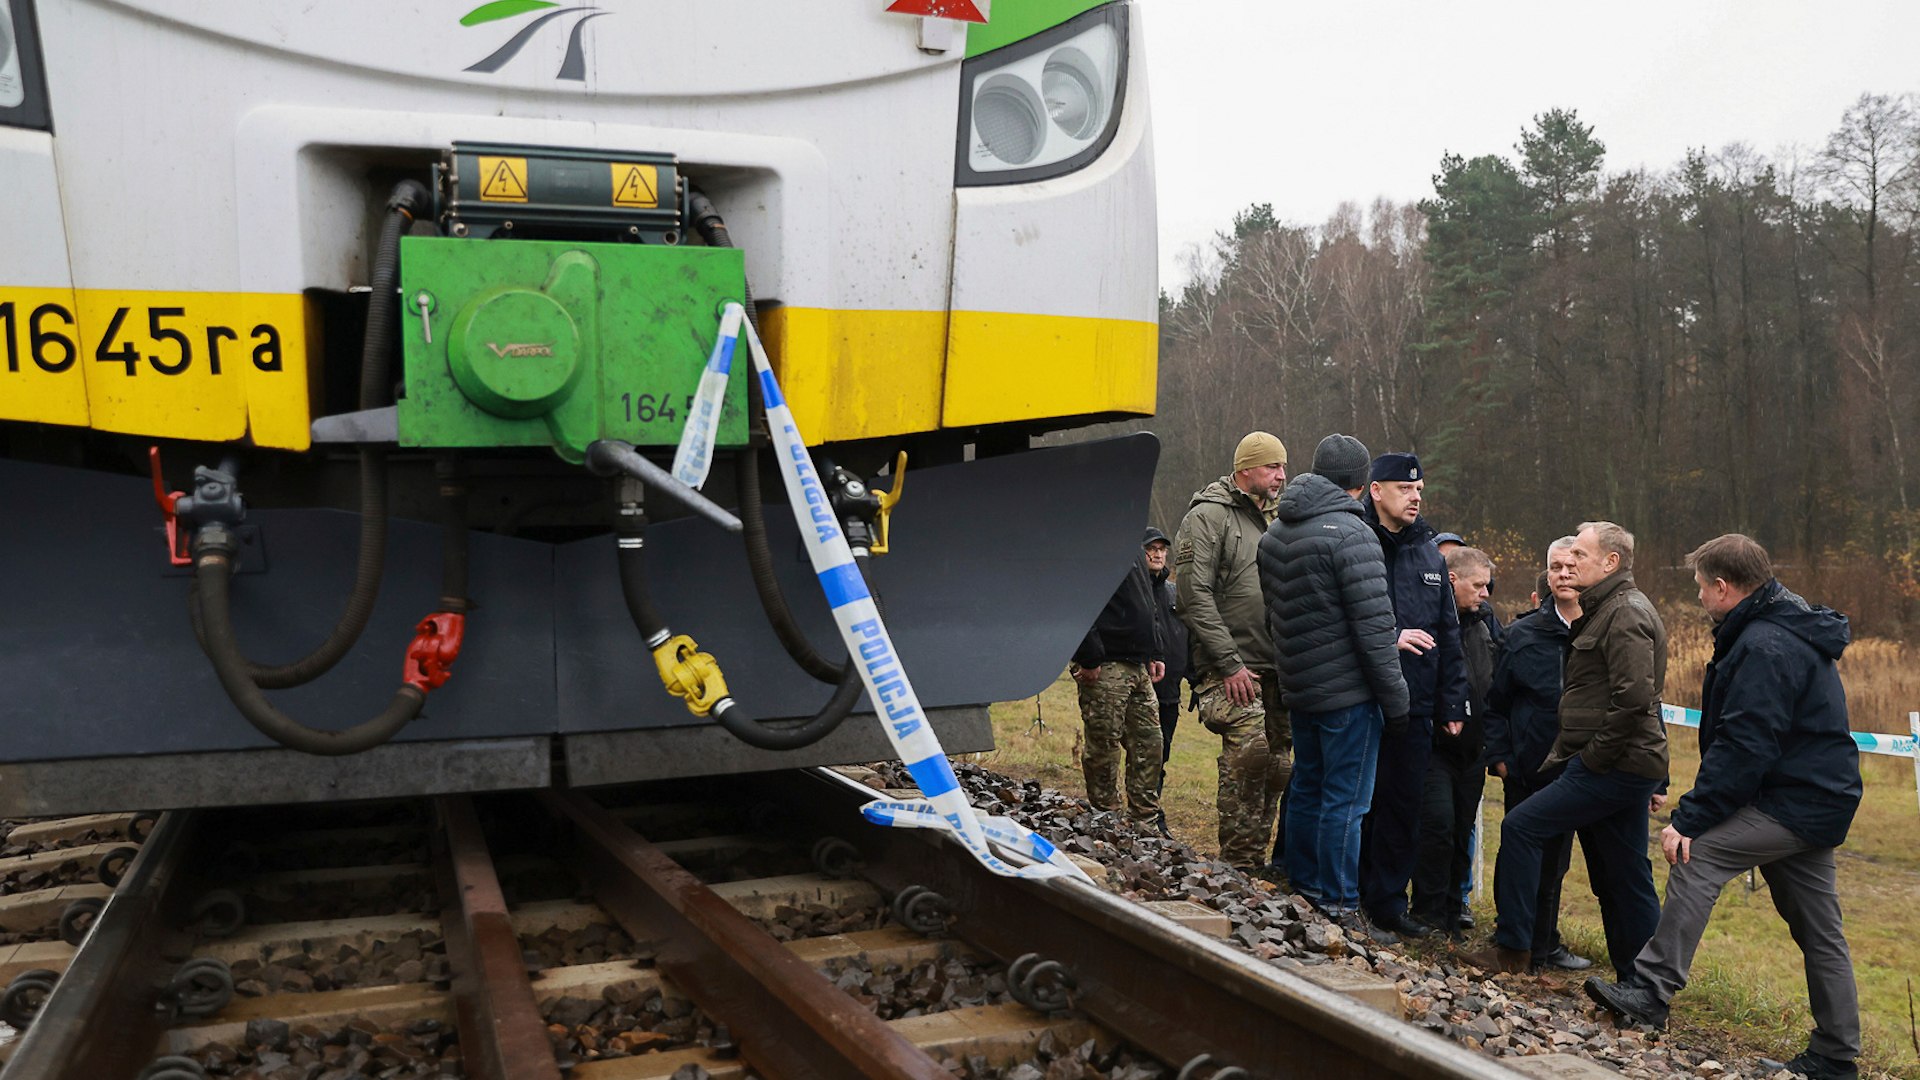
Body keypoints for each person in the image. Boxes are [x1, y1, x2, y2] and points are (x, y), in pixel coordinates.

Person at [1585, 535, 1862, 1080]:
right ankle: (1836, 1055)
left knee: (1697, 856)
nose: (1697, 598)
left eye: (1699, 588)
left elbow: (1746, 743)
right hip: (1814, 797)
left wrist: (1689, 818)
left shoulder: (1764, 644)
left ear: (1722, 587)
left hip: (1795, 800)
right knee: (1821, 932)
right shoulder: (1779, 625)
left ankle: (1650, 990)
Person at [1468, 521, 1667, 976]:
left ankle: (1514, 951)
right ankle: (1638, 984)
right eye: (1565, 557)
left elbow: (1637, 699)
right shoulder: (1606, 609)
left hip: (1611, 766)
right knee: (1621, 874)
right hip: (1607, 762)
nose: (1569, 563)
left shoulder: (1626, 613)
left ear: (1610, 562)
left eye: (1579, 554)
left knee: (1523, 828)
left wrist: (1592, 757)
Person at [1258, 433, 1409, 942]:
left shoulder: (1276, 533)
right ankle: (1339, 905)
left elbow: (1273, 617)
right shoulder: (1352, 535)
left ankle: (1303, 889)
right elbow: (1374, 629)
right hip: (1348, 693)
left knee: (1307, 789)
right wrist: (1397, 700)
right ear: (1363, 485)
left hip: (1299, 687)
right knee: (1345, 802)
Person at [1357, 453, 1468, 939]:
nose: (1416, 496)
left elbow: (1448, 631)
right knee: (1361, 803)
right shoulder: (1358, 542)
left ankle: (1387, 905)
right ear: (1376, 490)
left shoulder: (1428, 552)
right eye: (1405, 488)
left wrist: (1451, 702)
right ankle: (1346, 895)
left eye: (1419, 489)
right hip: (1363, 697)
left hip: (1417, 703)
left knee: (1404, 807)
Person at [1175, 432, 1292, 870]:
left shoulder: (1282, 519)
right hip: (1231, 668)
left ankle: (1256, 864)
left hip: (1278, 668)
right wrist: (1229, 663)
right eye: (1271, 468)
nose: (1281, 476)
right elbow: (1192, 595)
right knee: (1249, 757)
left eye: (1282, 467)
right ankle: (1239, 865)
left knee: (1279, 766)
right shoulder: (1208, 517)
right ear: (1245, 470)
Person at [1480, 538, 1592, 972]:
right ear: (1546, 576)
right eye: (1555, 567)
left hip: (1585, 767)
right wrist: (1501, 755)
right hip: (1529, 766)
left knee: (1558, 864)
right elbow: (1497, 703)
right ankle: (1512, 942)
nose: (1563, 574)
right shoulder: (1522, 634)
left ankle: (1545, 945)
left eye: (1571, 566)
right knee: (1522, 855)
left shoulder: (1604, 629)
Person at [1411, 545, 1499, 935]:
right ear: (1452, 581)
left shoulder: (1484, 626)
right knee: (1438, 827)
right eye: (1478, 585)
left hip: (1474, 751)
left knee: (1462, 829)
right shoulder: (1427, 622)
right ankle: (1426, 911)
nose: (1485, 593)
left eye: (1487, 586)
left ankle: (1452, 909)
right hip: (1434, 748)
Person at [1069, 532, 1166, 827]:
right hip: (1106, 663)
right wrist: (1090, 655)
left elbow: (1146, 602)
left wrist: (1154, 650)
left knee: (1150, 744)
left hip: (1137, 664)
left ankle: (1144, 821)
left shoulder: (1130, 544)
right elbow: (1077, 599)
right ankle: (1107, 820)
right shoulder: (1089, 543)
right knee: (1104, 746)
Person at [1144, 526, 1187, 825]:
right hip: (1137, 689)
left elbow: (1187, 635)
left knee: (1161, 755)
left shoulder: (1174, 592)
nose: (1158, 554)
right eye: (1152, 548)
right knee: (1142, 755)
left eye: (1162, 549)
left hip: (1170, 691)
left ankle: (1152, 813)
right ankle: (1142, 815)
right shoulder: (1131, 589)